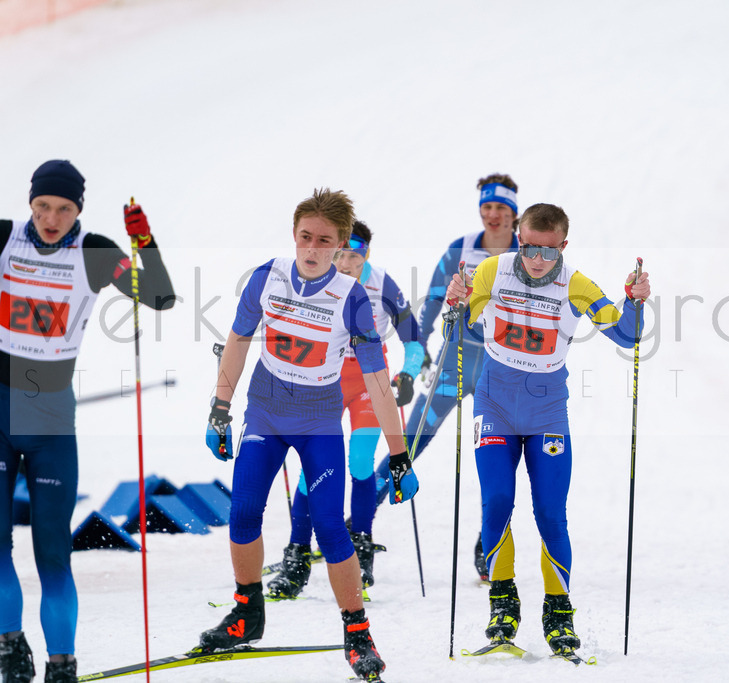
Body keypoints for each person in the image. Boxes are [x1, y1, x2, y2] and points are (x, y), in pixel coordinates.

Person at [199, 188, 418, 682]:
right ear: (294, 235)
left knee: (329, 525)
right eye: (305, 237)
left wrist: (399, 454)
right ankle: (246, 614)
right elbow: (236, 340)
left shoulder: (353, 297)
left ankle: (358, 633)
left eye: (325, 240)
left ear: (342, 244)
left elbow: (378, 381)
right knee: (243, 510)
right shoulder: (267, 276)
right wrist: (219, 408)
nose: (313, 248)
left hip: (319, 419)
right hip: (267, 412)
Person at [444, 202, 650, 656]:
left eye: (550, 252)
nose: (539, 260)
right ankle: (503, 606)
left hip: (546, 412)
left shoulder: (574, 282)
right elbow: (457, 335)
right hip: (494, 402)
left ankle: (558, 613)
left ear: (564, 246)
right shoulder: (493, 273)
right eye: (531, 248)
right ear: (520, 238)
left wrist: (634, 301)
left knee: (550, 513)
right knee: (496, 501)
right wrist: (455, 303)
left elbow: (624, 333)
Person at [0, 160, 176, 683]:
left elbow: (160, 296)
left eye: (64, 208)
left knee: (53, 554)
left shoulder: (94, 252)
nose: (51, 218)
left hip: (52, 421)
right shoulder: (5, 240)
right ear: (30, 204)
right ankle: (10, 647)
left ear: (79, 209)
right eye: (42, 206)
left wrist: (144, 243)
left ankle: (62, 666)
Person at [371, 173, 520, 581]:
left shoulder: (526, 253)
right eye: (487, 208)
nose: (493, 215)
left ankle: (488, 542)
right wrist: (420, 348)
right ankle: (359, 522)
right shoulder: (462, 249)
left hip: (500, 368)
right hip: (455, 362)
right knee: (413, 440)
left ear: (514, 215)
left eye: (501, 209)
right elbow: (435, 298)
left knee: (497, 456)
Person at [267, 220, 424, 599]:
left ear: (366, 255)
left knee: (359, 460)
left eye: (355, 255)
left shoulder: (381, 282)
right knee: (311, 467)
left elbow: (414, 337)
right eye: (339, 254)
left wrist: (407, 374)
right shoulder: (318, 278)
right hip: (325, 381)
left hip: (369, 381)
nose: (346, 263)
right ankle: (298, 553)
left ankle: (362, 546)